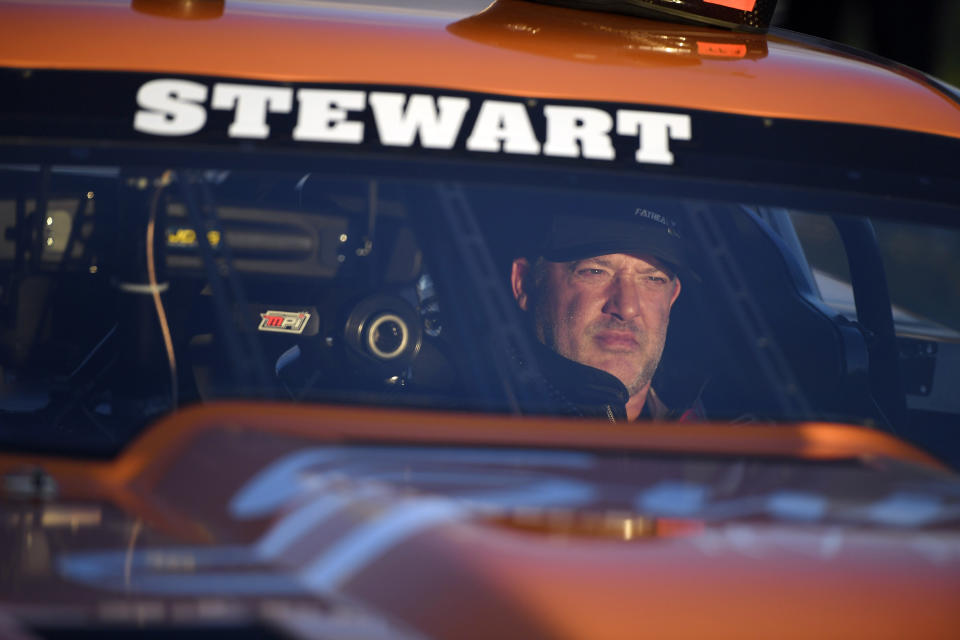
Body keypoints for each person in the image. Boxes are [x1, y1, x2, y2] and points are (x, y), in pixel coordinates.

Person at [510, 207, 699, 422]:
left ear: (672, 298)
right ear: (524, 284)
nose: (627, 309)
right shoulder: (484, 426)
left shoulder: (720, 432)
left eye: (653, 279)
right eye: (595, 272)